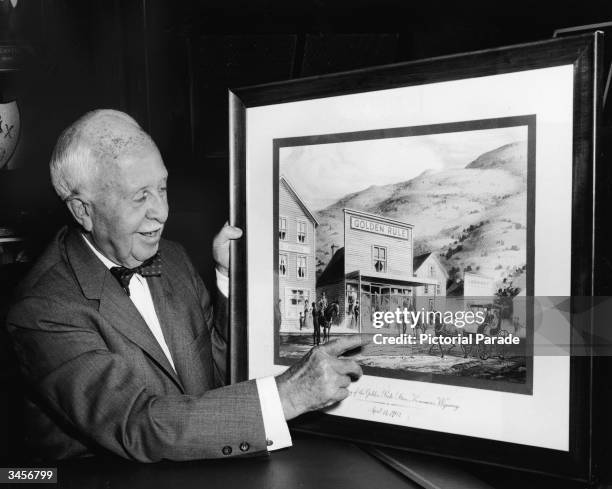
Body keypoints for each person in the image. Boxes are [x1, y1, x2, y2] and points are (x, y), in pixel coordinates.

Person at [6, 110, 363, 462]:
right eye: (139, 196)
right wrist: (288, 396)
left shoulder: (173, 259)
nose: (161, 211)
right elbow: (138, 425)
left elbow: (219, 375)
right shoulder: (41, 309)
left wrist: (231, 278)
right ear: (83, 210)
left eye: (162, 187)